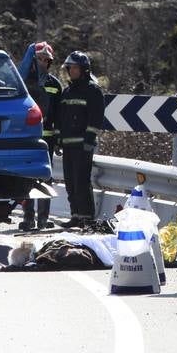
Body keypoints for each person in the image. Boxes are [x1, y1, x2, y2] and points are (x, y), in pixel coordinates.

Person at [56, 50, 105, 225]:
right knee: (70, 182)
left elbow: (96, 117)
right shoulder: (67, 91)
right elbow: (61, 117)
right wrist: (58, 139)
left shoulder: (92, 90)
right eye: (70, 68)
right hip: (68, 145)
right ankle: (76, 215)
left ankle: (87, 217)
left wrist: (89, 139)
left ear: (84, 69)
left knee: (81, 181)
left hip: (83, 145)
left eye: (75, 68)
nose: (72, 71)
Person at [16, 41, 61, 230]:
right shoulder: (24, 82)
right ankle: (28, 218)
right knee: (27, 178)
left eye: (46, 60)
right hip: (28, 138)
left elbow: (60, 113)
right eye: (39, 58)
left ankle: (43, 219)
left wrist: (58, 139)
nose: (43, 62)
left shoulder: (54, 85)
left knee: (45, 177)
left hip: (47, 139)